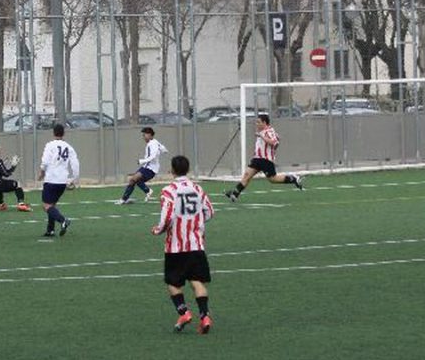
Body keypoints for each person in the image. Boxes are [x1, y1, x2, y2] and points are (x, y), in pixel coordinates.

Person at [152, 155, 215, 334]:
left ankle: (184, 313)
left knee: (173, 282)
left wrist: (158, 229)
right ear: (187, 169)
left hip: (176, 246)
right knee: (197, 281)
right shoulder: (197, 188)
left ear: (172, 170)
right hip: (196, 244)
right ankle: (205, 316)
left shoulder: (168, 190)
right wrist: (196, 224)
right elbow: (209, 212)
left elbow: (167, 216)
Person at [224, 113, 303, 202]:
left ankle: (293, 178)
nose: (256, 124)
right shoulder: (262, 132)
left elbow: (274, 143)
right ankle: (235, 194)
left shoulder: (269, 131)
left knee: (273, 179)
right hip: (257, 159)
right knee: (247, 175)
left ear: (264, 123)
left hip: (266, 160)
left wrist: (262, 136)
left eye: (258, 122)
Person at [37, 124, 80, 238]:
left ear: (53, 133)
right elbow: (75, 164)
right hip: (62, 181)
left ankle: (63, 220)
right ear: (63, 133)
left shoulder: (50, 145)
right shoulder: (69, 147)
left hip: (51, 179)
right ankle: (50, 230)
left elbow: (45, 161)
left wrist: (41, 173)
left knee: (46, 206)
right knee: (52, 205)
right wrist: (74, 179)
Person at [118, 127, 167, 205]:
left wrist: (142, 161)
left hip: (150, 168)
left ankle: (124, 199)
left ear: (150, 135)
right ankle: (126, 198)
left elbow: (153, 156)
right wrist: (161, 151)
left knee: (133, 179)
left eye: (144, 135)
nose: (143, 137)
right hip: (147, 167)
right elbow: (164, 150)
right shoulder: (155, 142)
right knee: (134, 180)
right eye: (143, 135)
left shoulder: (152, 144)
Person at [0, 143, 31, 211]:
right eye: (0, 150)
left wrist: (2, 166)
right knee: (17, 184)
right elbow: (6, 174)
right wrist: (13, 166)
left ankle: (1, 204)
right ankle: (21, 204)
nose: (1, 152)